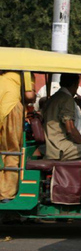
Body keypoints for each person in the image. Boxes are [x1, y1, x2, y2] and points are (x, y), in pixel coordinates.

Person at [42, 74, 81, 162]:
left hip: (52, 147)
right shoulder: (67, 99)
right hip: (61, 148)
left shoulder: (54, 97)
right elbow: (70, 129)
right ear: (75, 84)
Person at [0, 71, 34, 201]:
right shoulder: (26, 71)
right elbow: (29, 96)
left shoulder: (4, 73)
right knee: (12, 150)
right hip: (11, 106)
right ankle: (7, 194)